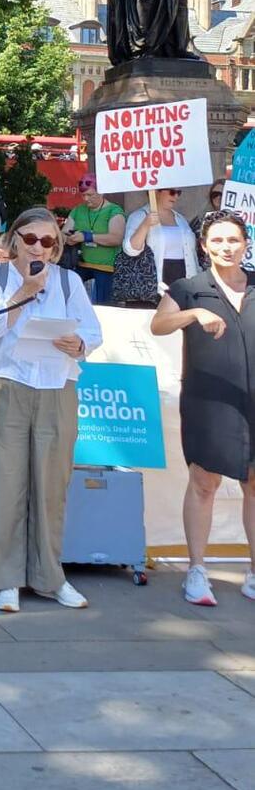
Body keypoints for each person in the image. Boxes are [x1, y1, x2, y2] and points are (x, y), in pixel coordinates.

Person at [0, 207, 103, 613]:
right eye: (30, 239)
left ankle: (50, 576)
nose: (39, 247)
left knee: (51, 485)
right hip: (7, 384)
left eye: (48, 241)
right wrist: (25, 291)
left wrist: (78, 344)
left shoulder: (69, 281)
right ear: (14, 239)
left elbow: (92, 330)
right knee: (4, 482)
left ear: (57, 246)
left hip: (56, 385)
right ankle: (4, 579)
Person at [151, 209, 255, 606]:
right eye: (218, 241)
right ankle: (196, 571)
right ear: (204, 245)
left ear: (246, 243)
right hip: (209, 400)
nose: (226, 248)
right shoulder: (189, 287)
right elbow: (158, 325)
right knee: (204, 482)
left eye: (233, 240)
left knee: (254, 484)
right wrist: (193, 314)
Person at [121, 188, 199, 302]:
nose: (176, 197)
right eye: (172, 192)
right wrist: (145, 224)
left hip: (184, 280)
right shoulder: (139, 216)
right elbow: (130, 250)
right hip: (153, 282)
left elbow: (192, 254)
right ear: (156, 191)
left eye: (179, 192)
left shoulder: (181, 219)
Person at [62, 175, 125, 303]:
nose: (86, 199)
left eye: (90, 195)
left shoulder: (114, 211)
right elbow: (63, 233)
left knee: (103, 307)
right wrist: (68, 239)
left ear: (101, 192)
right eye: (83, 195)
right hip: (80, 265)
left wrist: (87, 237)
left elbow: (116, 238)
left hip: (106, 268)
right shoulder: (78, 210)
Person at [191, 181, 226, 268]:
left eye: (223, 194)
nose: (218, 197)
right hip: (206, 271)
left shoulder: (239, 221)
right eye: (215, 194)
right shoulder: (199, 220)